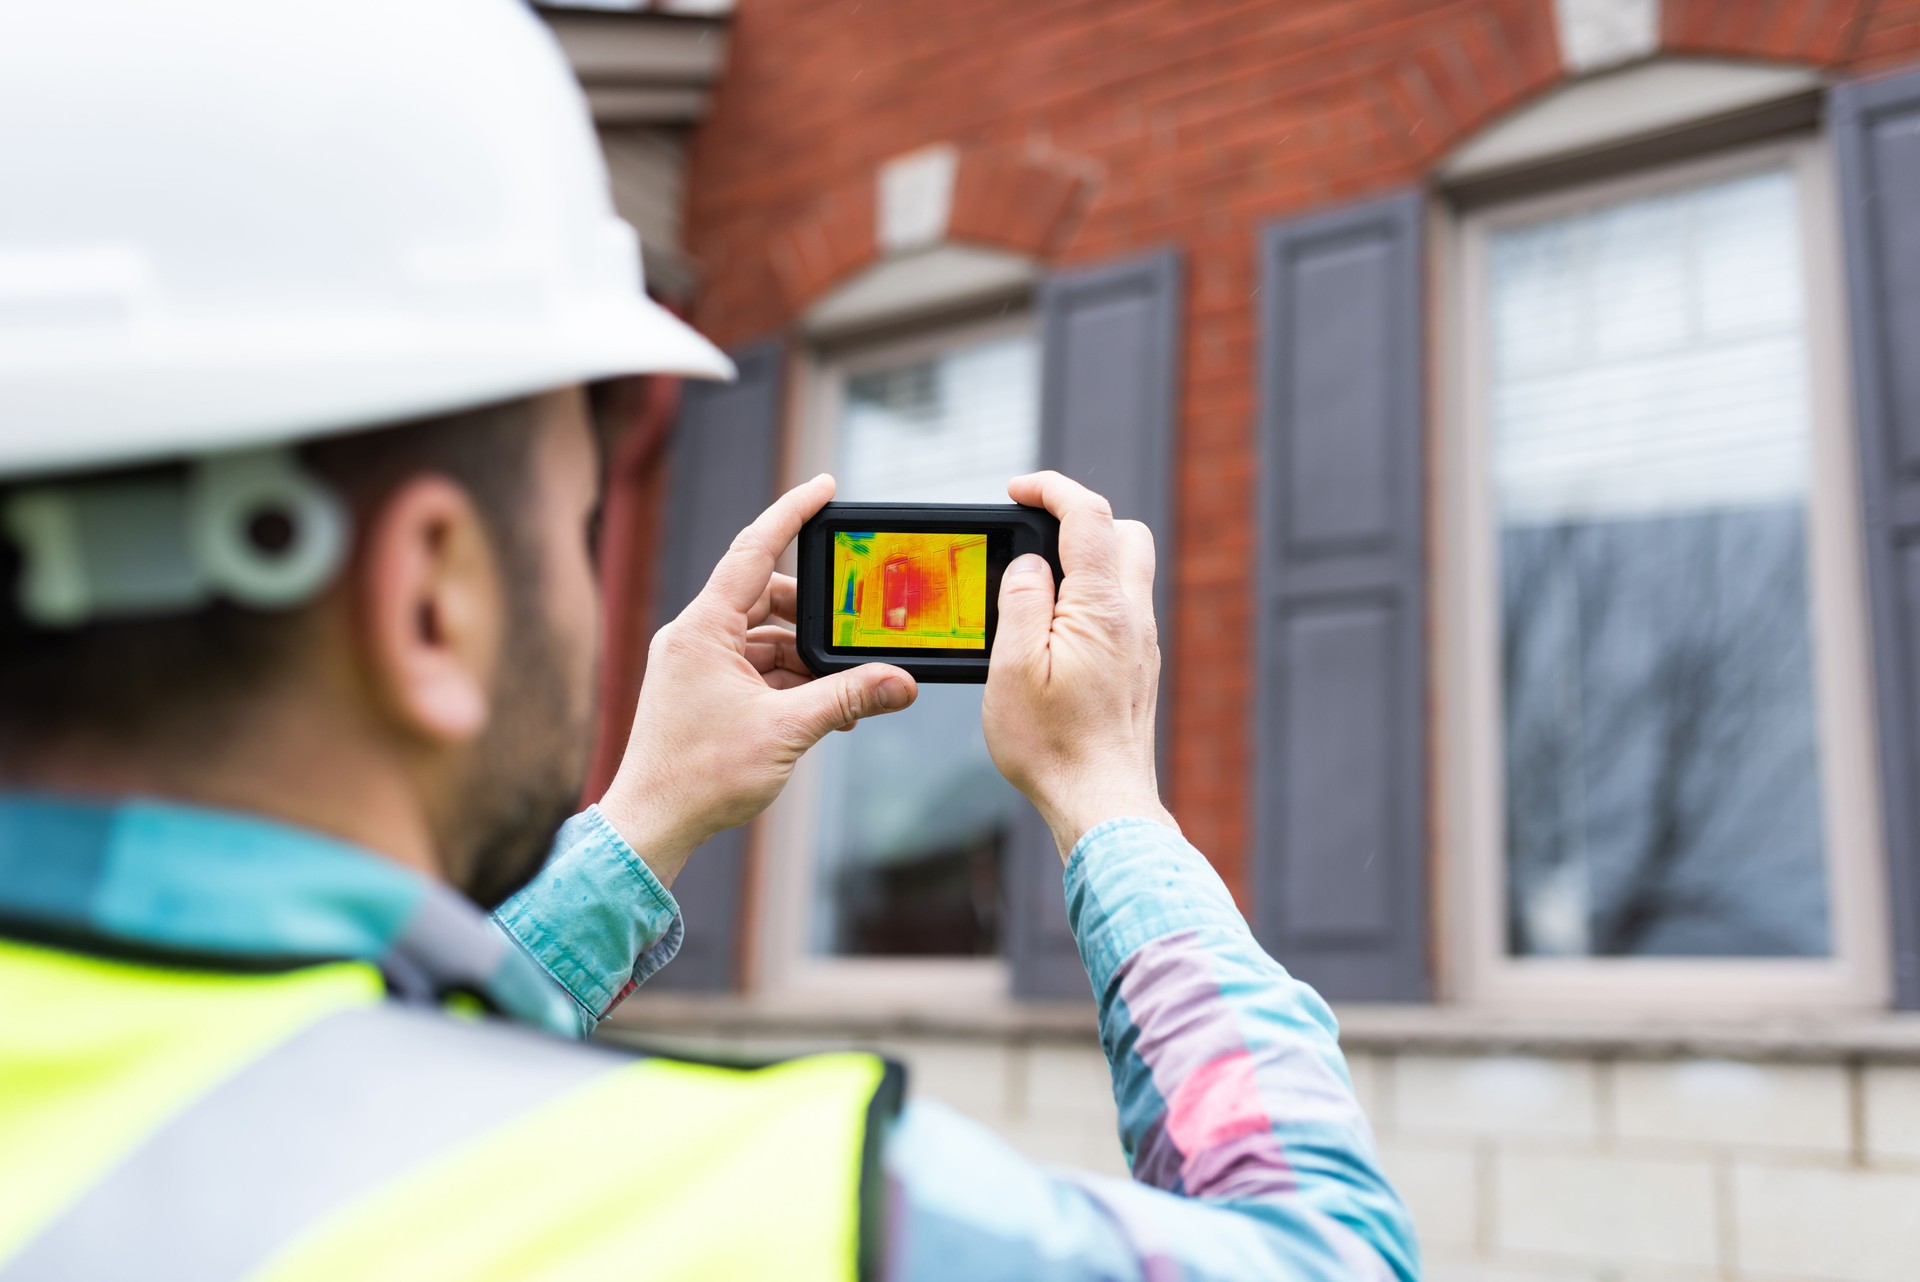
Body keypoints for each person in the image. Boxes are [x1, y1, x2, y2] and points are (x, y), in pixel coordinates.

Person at [0, 1, 1419, 1278]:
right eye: (574, 524)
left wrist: (649, 813)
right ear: (433, 597)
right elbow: (1333, 1257)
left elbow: (313, 1065)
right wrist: (1108, 793)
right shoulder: (770, 1216)